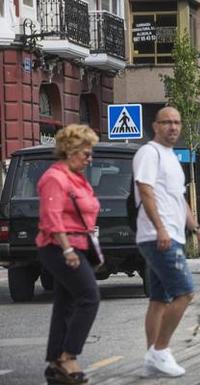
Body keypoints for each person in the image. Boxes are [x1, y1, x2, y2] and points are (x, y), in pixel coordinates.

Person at [133, 106, 200, 377]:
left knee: (159, 299)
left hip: (172, 235)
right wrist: (160, 229)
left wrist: (198, 231)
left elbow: (179, 201)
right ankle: (160, 350)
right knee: (185, 292)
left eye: (177, 122)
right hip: (159, 237)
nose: (173, 127)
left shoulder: (171, 157)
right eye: (167, 122)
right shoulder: (149, 153)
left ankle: (150, 359)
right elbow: (145, 191)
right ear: (155, 126)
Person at [36, 124, 101, 385]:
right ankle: (69, 355)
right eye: (86, 154)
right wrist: (67, 249)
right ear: (70, 151)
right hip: (59, 247)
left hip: (78, 245)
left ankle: (54, 364)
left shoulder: (76, 177)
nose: (89, 159)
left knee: (66, 304)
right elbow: (52, 218)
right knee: (89, 297)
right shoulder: (55, 177)